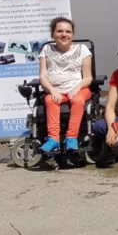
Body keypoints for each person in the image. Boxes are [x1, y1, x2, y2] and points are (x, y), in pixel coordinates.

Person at [37, 17, 92, 153]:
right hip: (56, 89)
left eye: (68, 31)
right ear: (53, 34)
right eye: (59, 31)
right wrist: (52, 90)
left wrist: (76, 88)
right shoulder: (46, 49)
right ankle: (53, 139)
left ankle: (71, 138)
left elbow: (88, 77)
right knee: (50, 100)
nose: (64, 34)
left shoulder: (82, 49)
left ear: (72, 34)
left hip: (78, 88)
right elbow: (42, 77)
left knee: (78, 100)